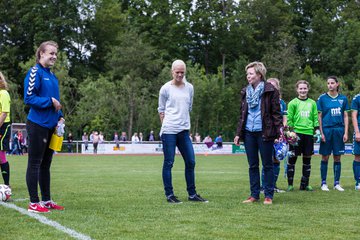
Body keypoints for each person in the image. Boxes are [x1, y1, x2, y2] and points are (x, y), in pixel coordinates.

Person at [158, 59, 208, 203]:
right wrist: (165, 126)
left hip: (184, 131)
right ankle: (169, 195)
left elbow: (189, 107)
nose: (180, 74)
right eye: (177, 72)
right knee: (169, 162)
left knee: (191, 162)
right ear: (172, 71)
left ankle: (192, 194)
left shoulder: (190, 88)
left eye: (182, 72)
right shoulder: (165, 89)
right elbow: (161, 110)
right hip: (169, 131)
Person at [24, 40, 64, 213]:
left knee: (45, 165)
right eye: (51, 53)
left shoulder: (52, 76)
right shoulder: (35, 72)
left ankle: (46, 200)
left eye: (56, 54)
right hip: (37, 124)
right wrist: (49, 101)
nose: (54, 56)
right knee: (34, 163)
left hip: (51, 125)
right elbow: (29, 98)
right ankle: (34, 203)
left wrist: (60, 118)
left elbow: (57, 102)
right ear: (41, 54)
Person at [234, 61, 282, 205]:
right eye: (247, 74)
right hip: (249, 132)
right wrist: (238, 133)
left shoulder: (271, 90)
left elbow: (276, 114)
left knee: (268, 164)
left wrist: (280, 132)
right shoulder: (245, 91)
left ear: (259, 75)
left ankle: (268, 195)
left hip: (264, 132)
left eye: (250, 74)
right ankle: (254, 194)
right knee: (252, 165)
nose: (248, 76)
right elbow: (242, 115)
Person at [317, 76, 349, 191]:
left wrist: (345, 132)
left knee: (337, 157)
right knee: (325, 156)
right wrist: (321, 133)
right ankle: (323, 183)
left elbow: (346, 116)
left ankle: (336, 183)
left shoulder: (343, 99)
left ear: (337, 84)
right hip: (326, 129)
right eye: (328, 83)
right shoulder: (322, 98)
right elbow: (319, 117)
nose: (330, 85)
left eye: (332, 83)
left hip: (339, 130)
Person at [286, 80, 319, 192]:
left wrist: (317, 130)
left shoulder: (312, 103)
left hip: (308, 134)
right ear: (297, 90)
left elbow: (315, 117)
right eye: (301, 88)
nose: (303, 90)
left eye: (305, 88)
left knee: (307, 160)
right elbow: (289, 118)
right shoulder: (292, 103)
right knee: (292, 159)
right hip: (296, 134)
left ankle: (304, 185)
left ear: (308, 89)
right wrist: (291, 132)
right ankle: (290, 185)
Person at [261, 78, 287, 193]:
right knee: (267, 160)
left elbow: (284, 119)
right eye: (269, 85)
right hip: (267, 134)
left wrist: (281, 132)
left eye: (274, 85)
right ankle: (263, 186)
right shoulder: (263, 99)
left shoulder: (282, 103)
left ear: (278, 87)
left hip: (278, 134)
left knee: (277, 160)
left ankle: (273, 186)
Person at [0, 72, 11, 189]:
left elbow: (4, 113)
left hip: (3, 126)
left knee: (1, 155)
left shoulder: (3, 93)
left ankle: (7, 184)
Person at [351, 93, 360, 190]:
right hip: (359, 129)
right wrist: (357, 132)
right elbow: (354, 116)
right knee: (358, 156)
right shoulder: (357, 98)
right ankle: (358, 182)